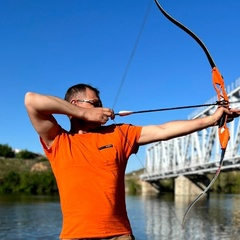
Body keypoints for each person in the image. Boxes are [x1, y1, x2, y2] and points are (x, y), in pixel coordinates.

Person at [24, 83, 240, 240]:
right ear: (74, 104)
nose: (102, 108)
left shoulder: (119, 134)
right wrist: (84, 113)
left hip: (119, 235)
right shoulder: (59, 140)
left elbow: (164, 130)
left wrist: (212, 120)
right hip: (75, 237)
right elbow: (31, 100)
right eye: (95, 103)